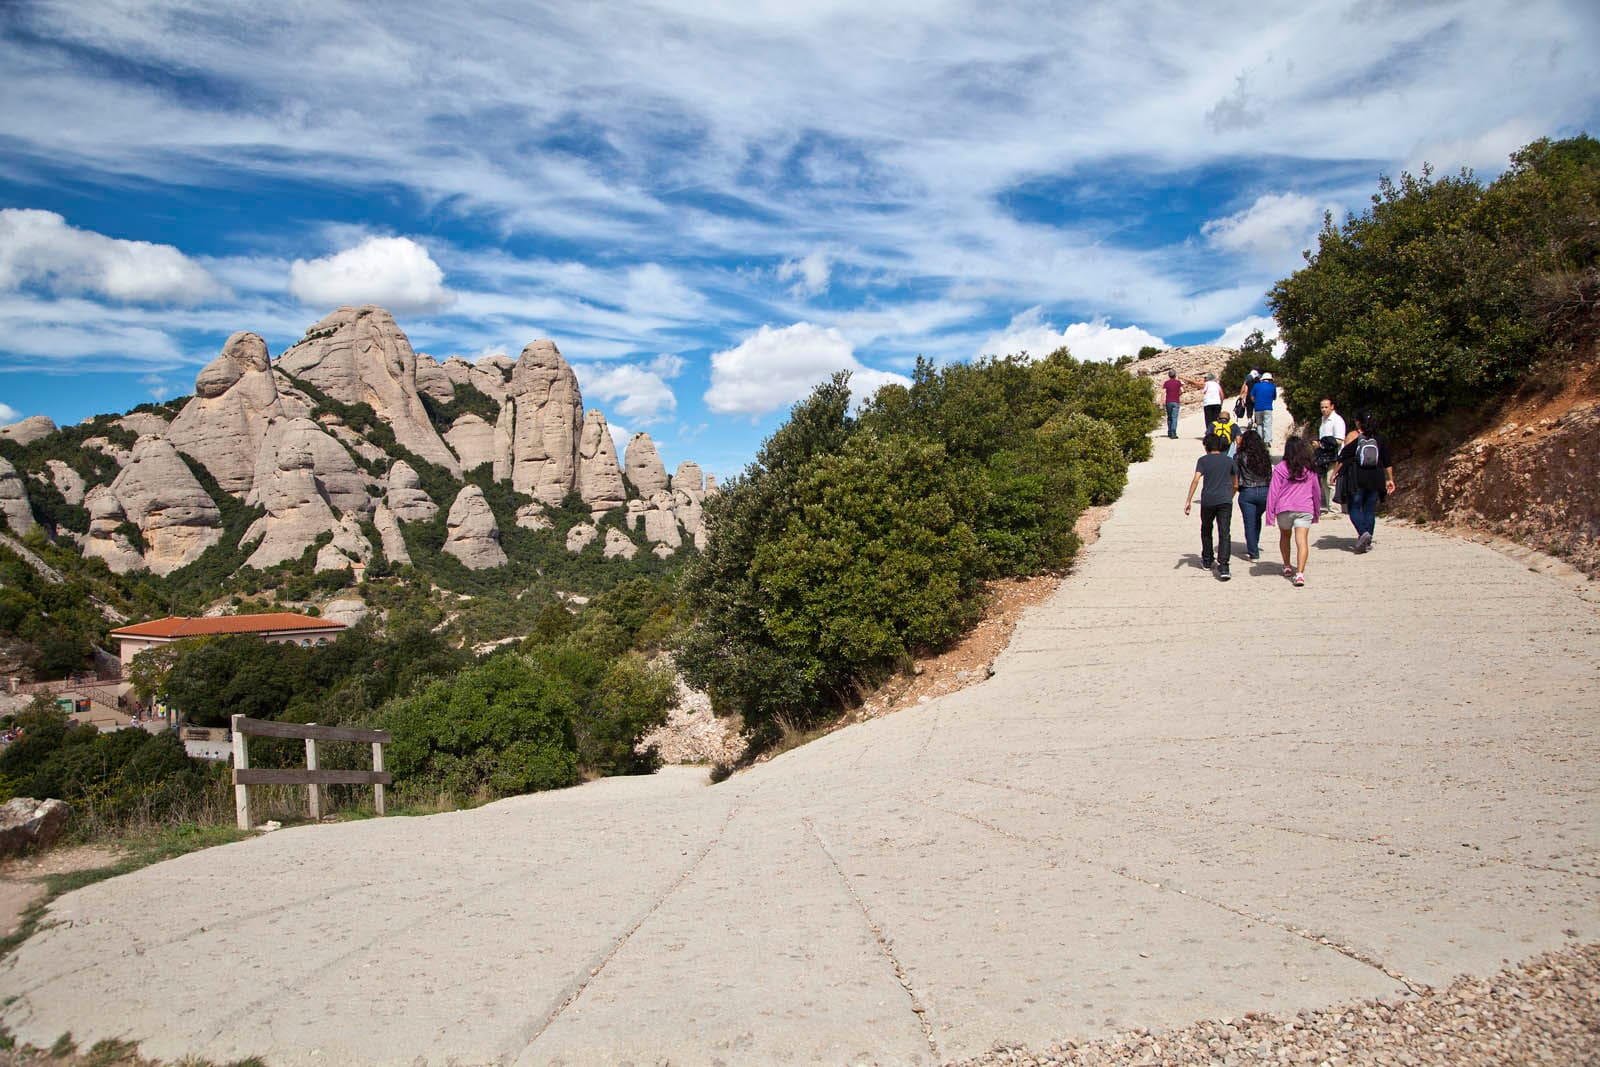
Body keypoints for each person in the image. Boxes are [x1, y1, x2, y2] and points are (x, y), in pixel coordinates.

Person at [1326, 411, 1395, 553]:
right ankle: (1367, 540)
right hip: (1376, 477)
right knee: (1369, 509)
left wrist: (1334, 473)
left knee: (1354, 507)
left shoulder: (1355, 437)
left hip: (1357, 476)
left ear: (1358, 422)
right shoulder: (1380, 439)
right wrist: (1390, 479)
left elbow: (1343, 456)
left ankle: (1363, 533)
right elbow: (1387, 461)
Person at [1264, 435, 1320, 587]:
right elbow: (1316, 492)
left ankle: (1287, 565)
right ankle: (1300, 574)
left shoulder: (1281, 468)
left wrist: (1270, 515)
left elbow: (1273, 492)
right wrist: (1316, 512)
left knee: (1285, 536)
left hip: (1284, 508)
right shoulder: (1310, 468)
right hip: (1305, 507)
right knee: (1302, 541)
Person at [1184, 433, 1237, 580]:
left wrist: (1188, 500)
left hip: (1208, 500)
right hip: (1225, 500)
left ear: (1206, 446)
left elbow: (1196, 479)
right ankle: (1224, 565)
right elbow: (1236, 484)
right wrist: (1230, 496)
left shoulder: (1203, 461)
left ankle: (1207, 559)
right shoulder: (1229, 461)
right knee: (1224, 532)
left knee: (1206, 529)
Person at [1233, 427, 1271, 561]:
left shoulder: (1239, 456)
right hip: (1265, 491)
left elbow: (1235, 475)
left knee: (1249, 522)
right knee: (1257, 518)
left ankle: (1253, 552)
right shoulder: (1265, 456)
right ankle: (1254, 542)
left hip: (1247, 491)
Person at [1315, 397, 1347, 509]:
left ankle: (1334, 509)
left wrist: (1322, 444)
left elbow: (1339, 440)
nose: (1324, 409)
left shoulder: (1337, 420)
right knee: (1324, 481)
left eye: (1326, 407)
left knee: (1331, 480)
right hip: (1324, 456)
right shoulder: (1323, 420)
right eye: (1322, 407)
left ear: (1332, 407)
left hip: (1334, 456)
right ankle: (1329, 507)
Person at [1250, 371, 1278, 443]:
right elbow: (1274, 397)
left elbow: (1252, 397)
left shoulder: (1256, 385)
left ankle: (1260, 440)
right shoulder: (1272, 386)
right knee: (1267, 425)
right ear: (1270, 379)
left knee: (1259, 424)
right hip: (1268, 408)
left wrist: (1256, 402)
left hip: (1258, 408)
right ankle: (1267, 440)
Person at [1160, 369, 1183, 438]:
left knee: (1169, 417)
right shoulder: (1178, 382)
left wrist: (1162, 401)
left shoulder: (1166, 383)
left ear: (1169, 375)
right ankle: (1173, 433)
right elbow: (1182, 390)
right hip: (1176, 401)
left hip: (1168, 402)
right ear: (1175, 375)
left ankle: (1169, 432)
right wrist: (1178, 394)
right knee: (1174, 417)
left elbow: (1163, 392)